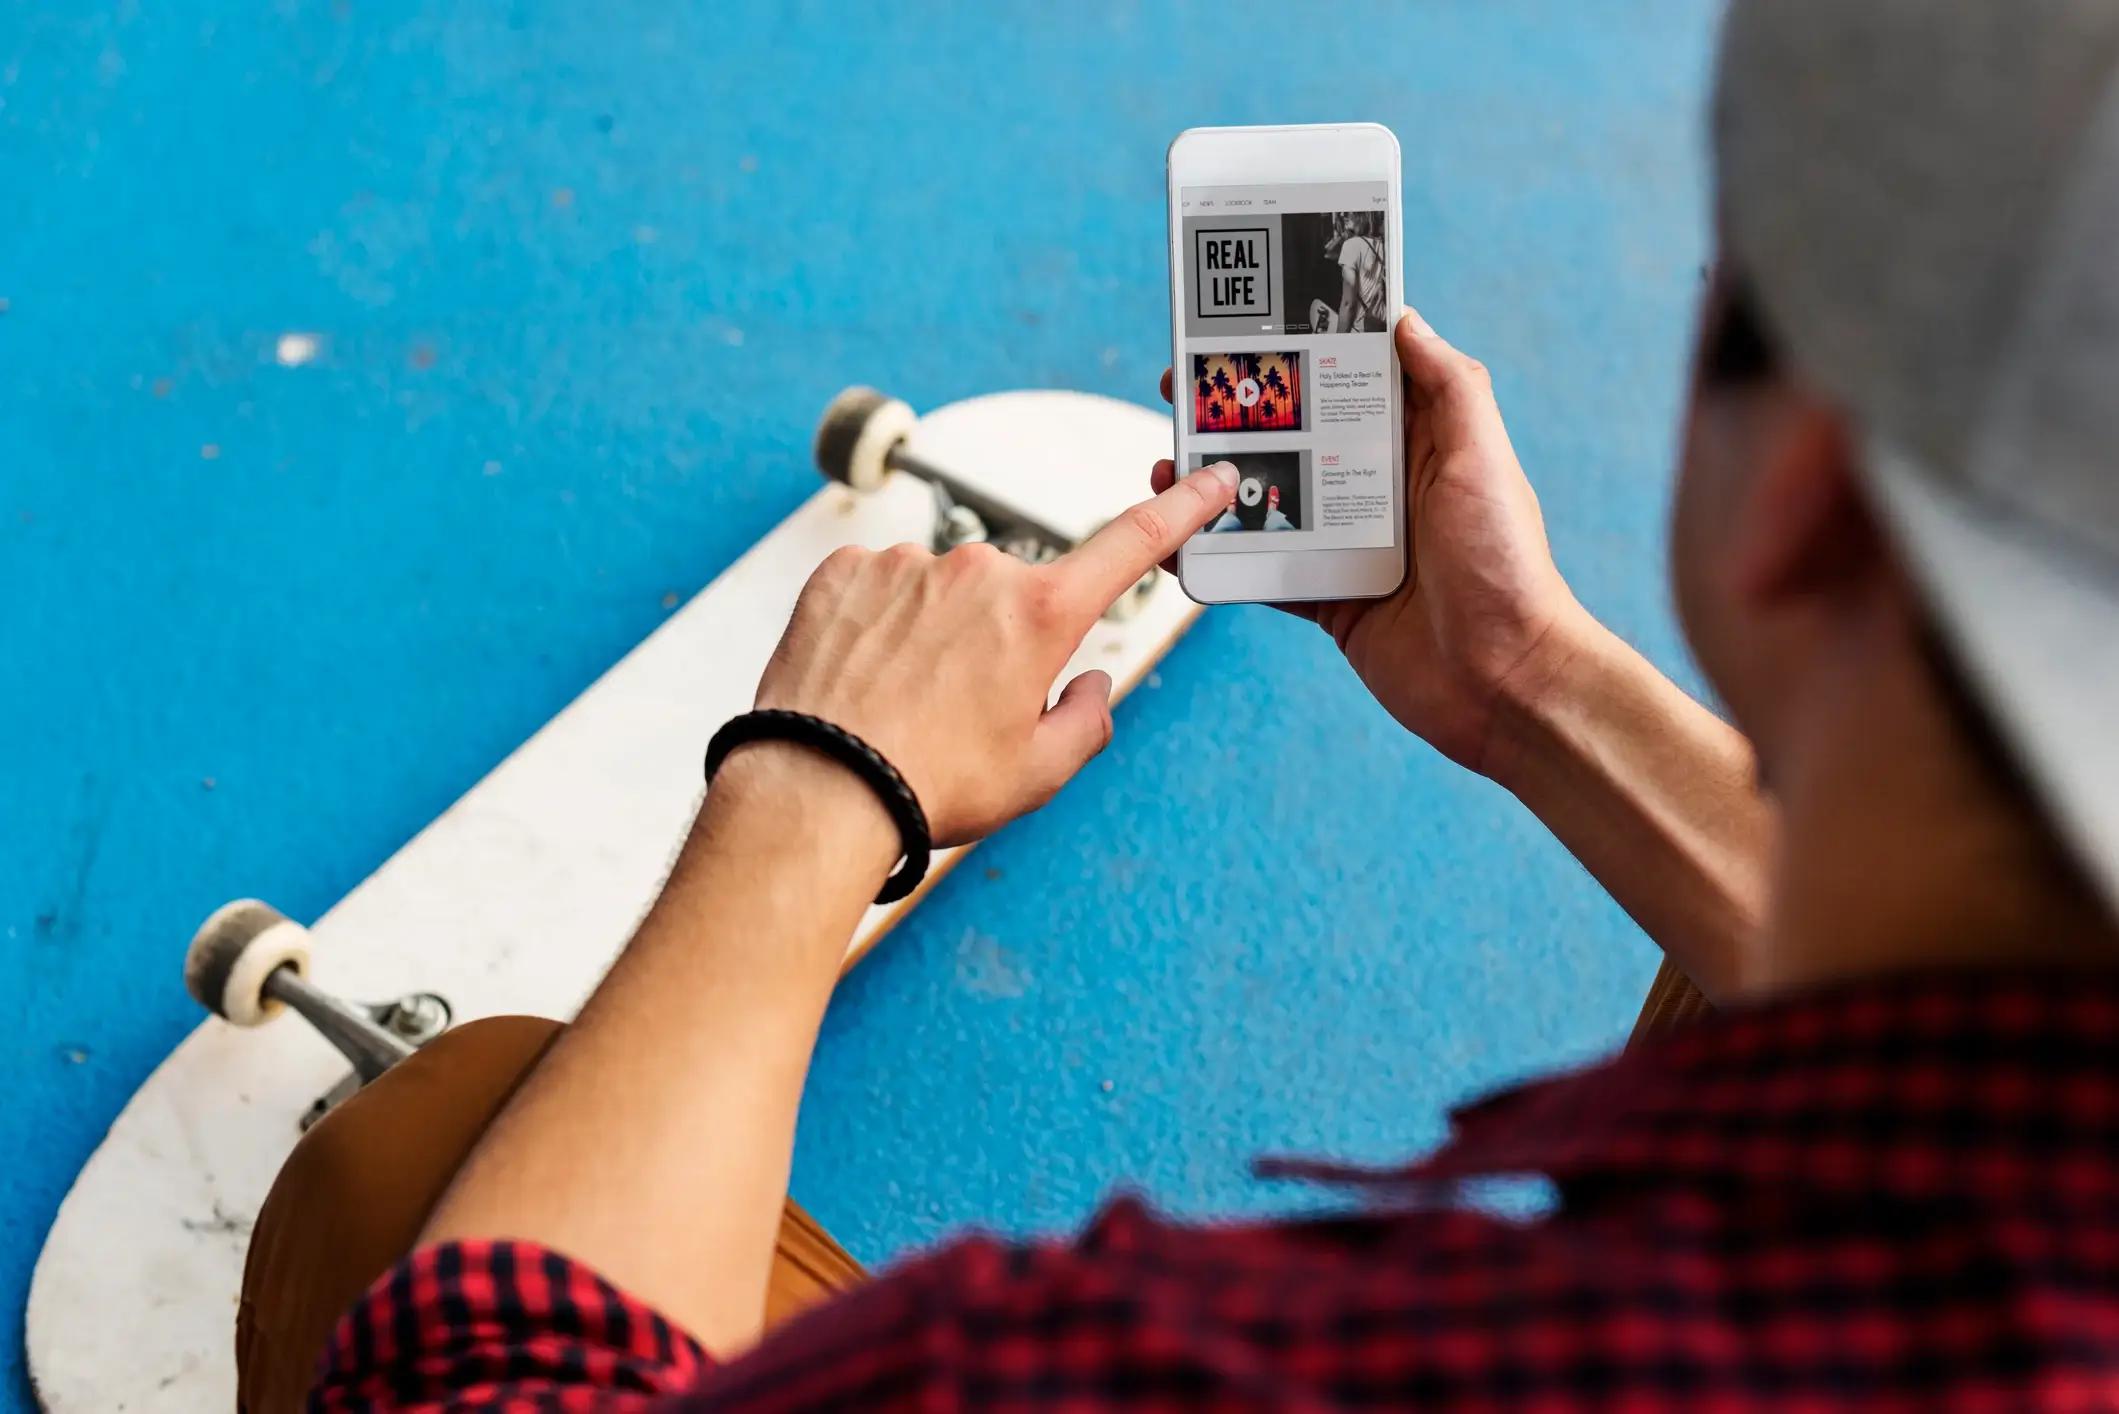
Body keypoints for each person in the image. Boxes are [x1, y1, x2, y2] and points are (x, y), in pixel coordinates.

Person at [254, 1, 2119, 1406]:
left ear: (1805, 488)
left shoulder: (1190, 1358)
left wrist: (818, 781)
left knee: (419, 1154)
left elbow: (498, 1378)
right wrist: (1524, 677)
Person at [1329, 210, 1387, 333]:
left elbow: (1348, 304)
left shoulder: (1351, 246)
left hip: (1359, 328)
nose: (1342, 214)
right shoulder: (1382, 244)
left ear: (1362, 214)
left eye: (1348, 211)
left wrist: (1339, 338)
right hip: (1380, 323)